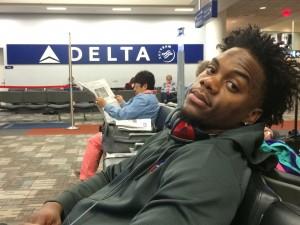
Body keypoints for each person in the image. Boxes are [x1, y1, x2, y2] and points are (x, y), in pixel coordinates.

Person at [24, 25, 299, 225]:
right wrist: (58, 203)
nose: (208, 80)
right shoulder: (179, 135)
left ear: (252, 115)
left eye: (232, 85)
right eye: (212, 69)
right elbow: (113, 175)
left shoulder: (208, 170)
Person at [78, 70, 160, 180]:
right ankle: (87, 171)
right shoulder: (149, 98)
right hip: (136, 131)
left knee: (95, 140)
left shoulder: (143, 99)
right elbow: (133, 112)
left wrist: (105, 105)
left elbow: (122, 115)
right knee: (99, 137)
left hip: (133, 136)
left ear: (144, 85)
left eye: (136, 86)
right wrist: (122, 103)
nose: (134, 89)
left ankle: (86, 177)